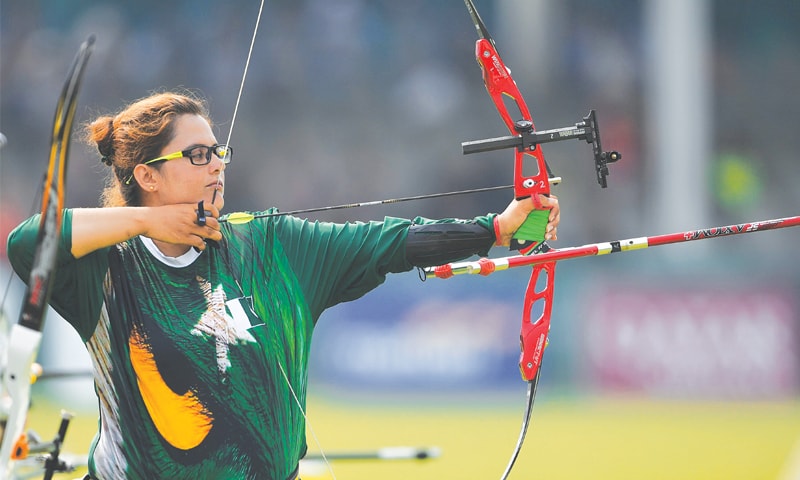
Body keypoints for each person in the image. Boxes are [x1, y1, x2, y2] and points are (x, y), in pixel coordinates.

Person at [7, 91, 559, 480]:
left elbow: (389, 242)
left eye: (218, 151)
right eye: (197, 155)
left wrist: (494, 228)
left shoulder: (271, 246)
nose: (216, 165)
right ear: (147, 175)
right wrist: (150, 223)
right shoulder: (106, 269)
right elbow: (28, 243)